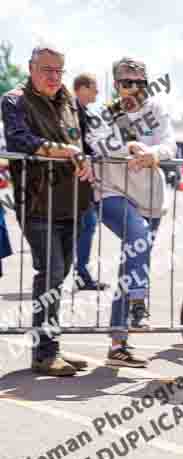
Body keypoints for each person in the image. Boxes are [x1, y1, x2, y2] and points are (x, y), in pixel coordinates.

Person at [1, 44, 93, 376]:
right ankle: (44, 352)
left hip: (73, 203)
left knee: (60, 275)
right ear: (31, 68)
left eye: (59, 70)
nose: (54, 76)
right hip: (38, 204)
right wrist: (64, 150)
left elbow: (88, 139)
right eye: (46, 70)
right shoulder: (14, 100)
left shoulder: (69, 100)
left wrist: (90, 158)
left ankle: (51, 345)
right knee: (51, 272)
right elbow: (19, 141)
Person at [85, 57, 176, 367]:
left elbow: (170, 145)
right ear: (116, 85)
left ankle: (118, 343)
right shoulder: (103, 113)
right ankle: (139, 303)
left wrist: (153, 153)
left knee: (131, 264)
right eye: (127, 82)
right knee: (136, 235)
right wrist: (132, 149)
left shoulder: (157, 109)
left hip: (151, 197)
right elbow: (96, 143)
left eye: (140, 82)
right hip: (111, 193)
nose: (134, 88)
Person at [72, 72, 107, 291]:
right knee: (86, 225)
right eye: (94, 88)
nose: (97, 92)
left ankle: (80, 272)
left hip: (82, 178)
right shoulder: (72, 111)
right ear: (83, 87)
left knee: (85, 226)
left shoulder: (82, 111)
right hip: (76, 179)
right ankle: (80, 273)